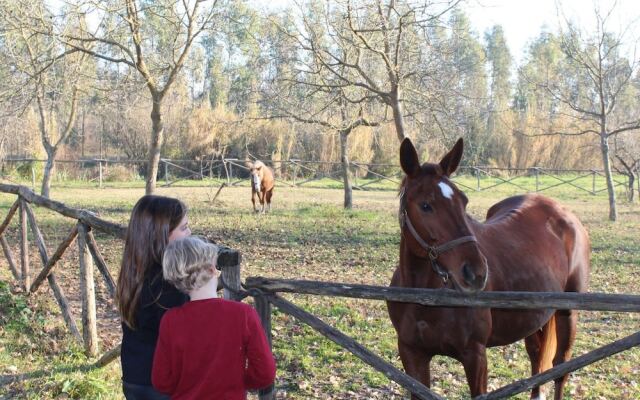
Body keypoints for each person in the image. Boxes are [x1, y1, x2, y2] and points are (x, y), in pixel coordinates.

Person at [152, 236, 276, 399]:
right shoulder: (243, 314)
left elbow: (162, 381)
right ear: (212, 270)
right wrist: (240, 381)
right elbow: (265, 372)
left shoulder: (170, 320)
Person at [116, 195, 192, 400]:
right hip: (162, 384)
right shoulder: (169, 286)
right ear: (162, 235)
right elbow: (183, 342)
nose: (190, 233)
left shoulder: (134, 271)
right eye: (184, 228)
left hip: (133, 376)